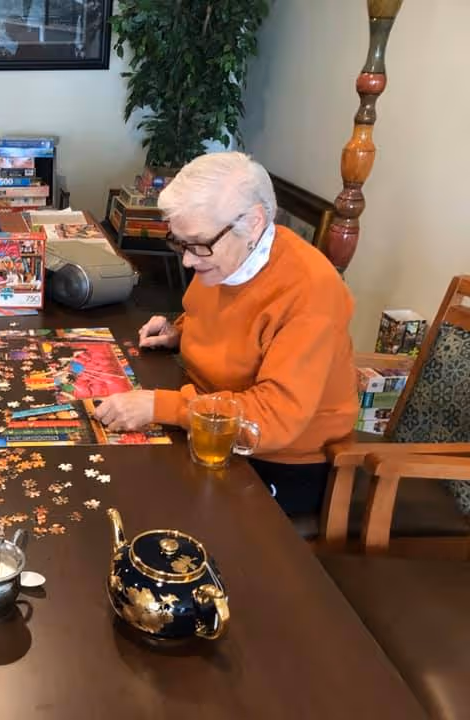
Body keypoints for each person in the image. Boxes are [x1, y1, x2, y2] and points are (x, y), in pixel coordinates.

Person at [93, 152, 357, 517]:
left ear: (253, 223)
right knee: (120, 483)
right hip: (205, 420)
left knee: (155, 509)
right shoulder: (225, 258)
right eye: (180, 243)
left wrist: (160, 406)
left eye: (198, 244)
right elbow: (228, 321)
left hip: (280, 459)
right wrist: (180, 331)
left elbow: (271, 419)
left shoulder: (311, 292)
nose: (187, 261)